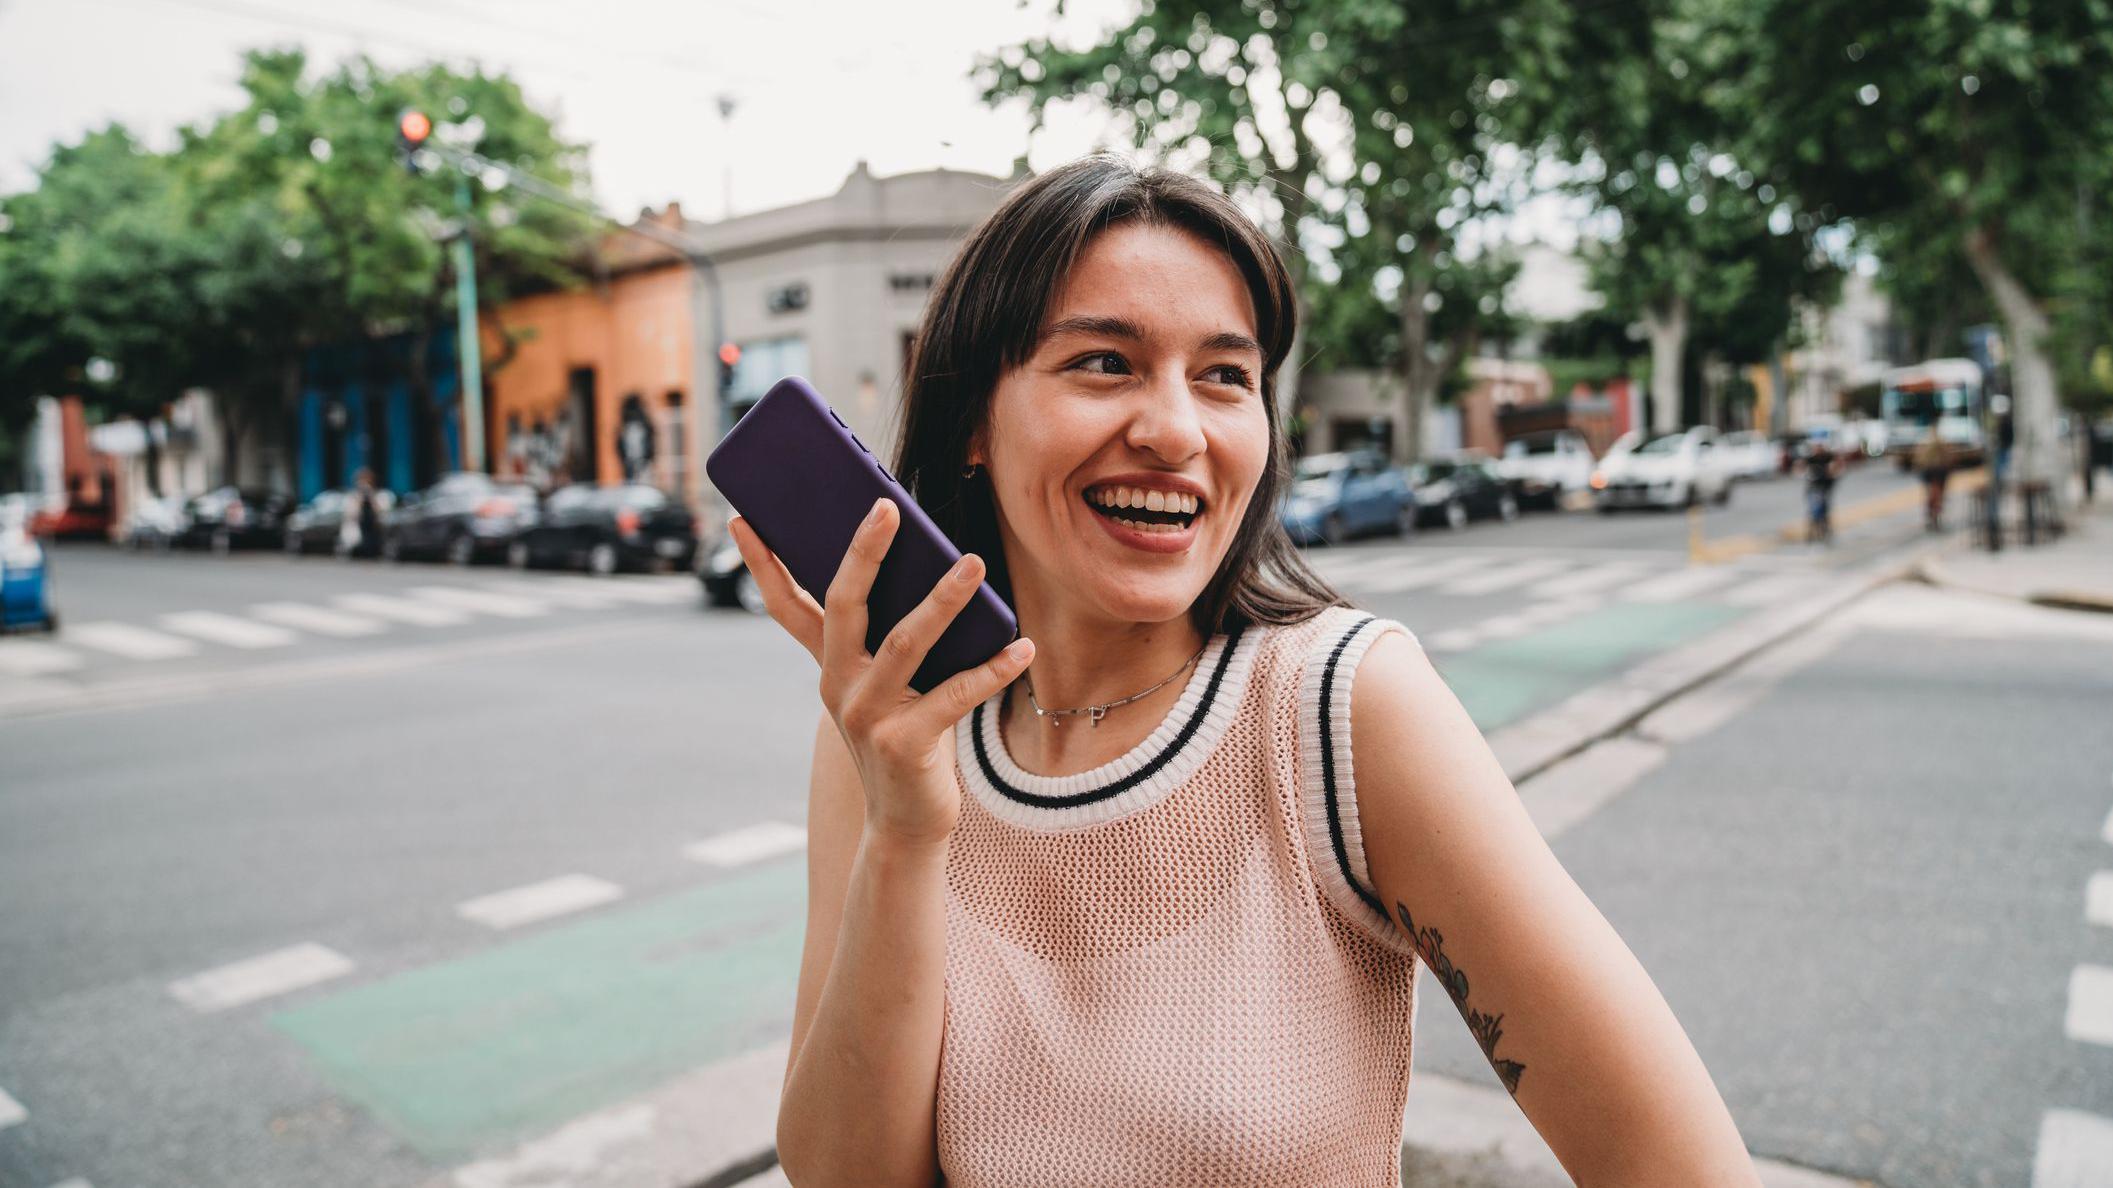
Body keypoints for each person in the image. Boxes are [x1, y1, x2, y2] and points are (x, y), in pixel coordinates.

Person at [734, 155, 1762, 1187]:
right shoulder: (886, 729)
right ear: (970, 423)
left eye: (1225, 376)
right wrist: (907, 837)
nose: (1178, 431)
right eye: (1104, 363)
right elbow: (846, 1176)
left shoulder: (1342, 709)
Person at [1912, 429, 1951, 532]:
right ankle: (1934, 513)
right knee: (1937, 495)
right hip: (1938, 472)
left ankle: (1932, 513)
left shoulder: (1925, 444)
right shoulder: (1942, 444)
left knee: (1931, 494)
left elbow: (1918, 460)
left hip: (1931, 472)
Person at [1803, 438, 1840, 544]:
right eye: (1816, 447)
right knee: (1813, 510)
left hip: (1825, 487)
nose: (1818, 449)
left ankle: (1825, 529)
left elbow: (1836, 468)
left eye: (1819, 447)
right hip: (1813, 488)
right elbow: (1802, 469)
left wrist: (1832, 472)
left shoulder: (1828, 457)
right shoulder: (1811, 459)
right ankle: (1811, 533)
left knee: (1824, 510)